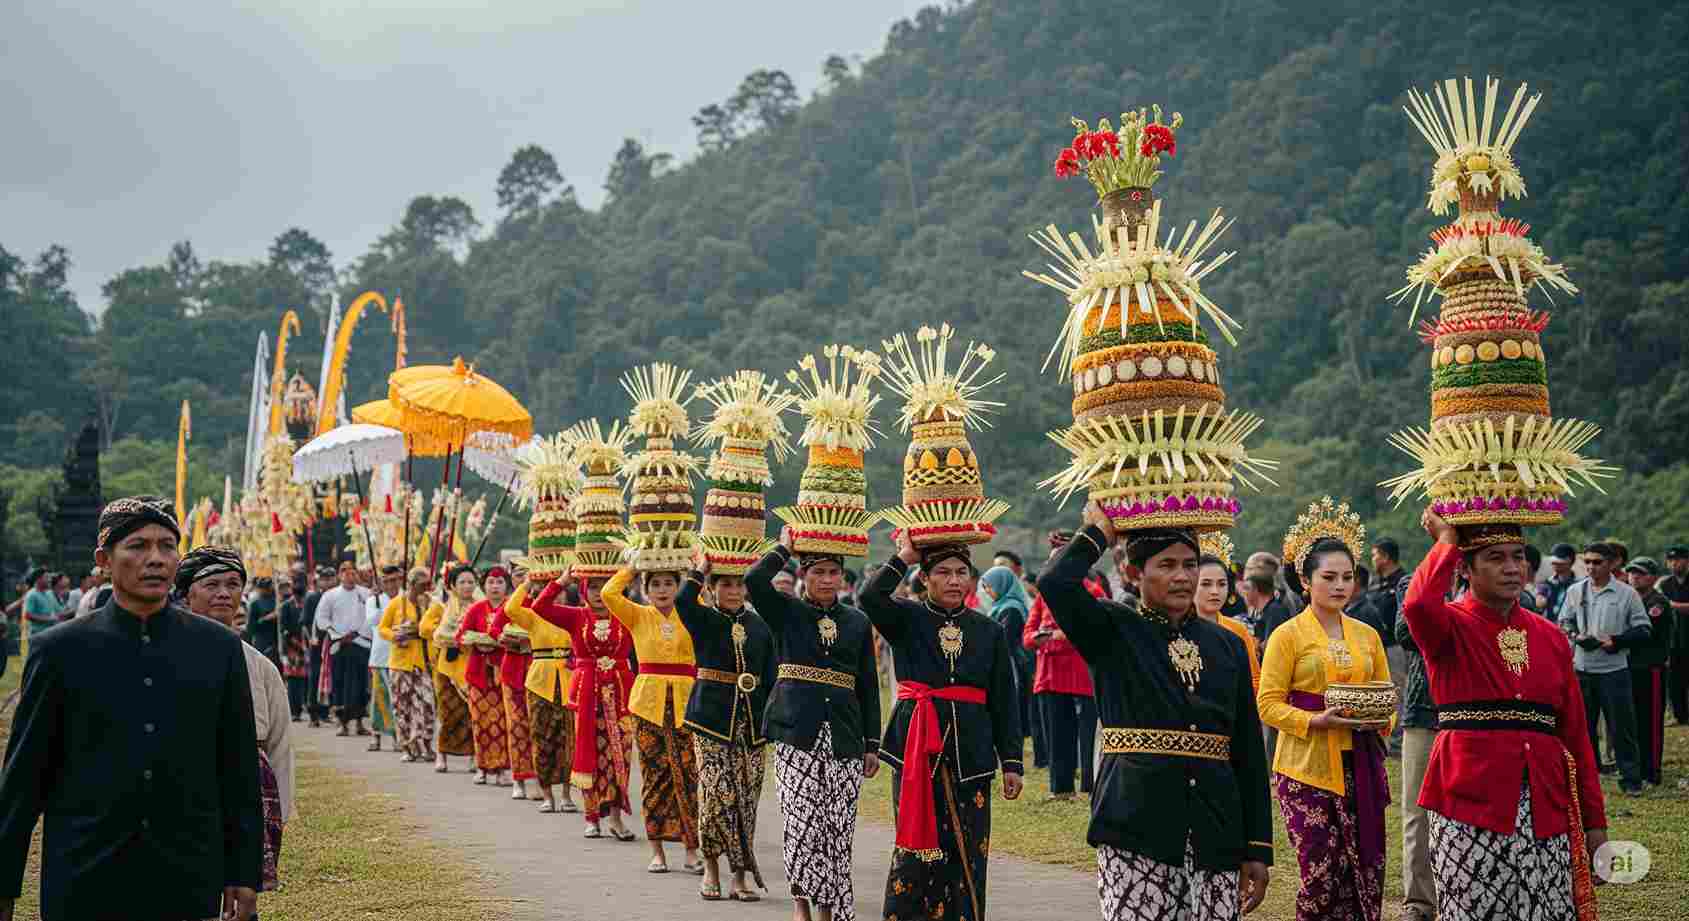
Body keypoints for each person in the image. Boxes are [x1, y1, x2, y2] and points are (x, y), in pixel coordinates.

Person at [0, 496, 262, 921]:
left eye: (166, 546)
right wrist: (4, 883)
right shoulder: (61, 652)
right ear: (104, 558)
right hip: (84, 873)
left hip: (187, 873)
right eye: (138, 546)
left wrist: (244, 871)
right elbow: (24, 778)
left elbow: (237, 769)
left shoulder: (219, 650)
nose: (155, 559)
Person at [1038, 503, 1271, 920]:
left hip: (1215, 830)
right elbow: (1055, 582)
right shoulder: (1112, 629)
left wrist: (1257, 846)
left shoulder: (1228, 646)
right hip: (1134, 823)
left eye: (1189, 564)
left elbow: (1248, 751)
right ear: (1133, 573)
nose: (1182, 576)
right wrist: (1100, 533)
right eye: (1166, 565)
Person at [1404, 512, 1607, 921]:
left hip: (1546, 807)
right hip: (1467, 803)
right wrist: (1445, 540)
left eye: (1519, 556)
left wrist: (1595, 822)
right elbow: (1418, 603)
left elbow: (1576, 736)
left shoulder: (1550, 637)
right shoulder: (1448, 627)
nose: (1513, 567)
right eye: (1496, 558)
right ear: (1465, 568)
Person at [862, 532, 1022, 921]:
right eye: (944, 572)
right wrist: (904, 556)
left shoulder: (990, 631)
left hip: (973, 754)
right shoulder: (906, 618)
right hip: (916, 751)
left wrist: (1013, 762)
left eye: (962, 573)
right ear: (926, 578)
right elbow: (869, 597)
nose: (954, 580)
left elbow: (1004, 699)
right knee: (916, 852)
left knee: (968, 851)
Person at [1259, 506, 1392, 921]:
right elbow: (1267, 702)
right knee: (1320, 875)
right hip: (1306, 770)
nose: (1339, 586)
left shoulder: (1367, 635)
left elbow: (1386, 696)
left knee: (1364, 874)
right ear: (1305, 580)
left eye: (1347, 577)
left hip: (1361, 764)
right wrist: (1315, 720)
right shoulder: (1288, 634)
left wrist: (1377, 718)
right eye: (1328, 577)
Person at [748, 531, 880, 921]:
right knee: (802, 824)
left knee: (838, 828)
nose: (826, 580)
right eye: (818, 571)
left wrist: (871, 743)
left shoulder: (857, 621)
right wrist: (785, 548)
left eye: (833, 572)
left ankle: (831, 908)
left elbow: (869, 685)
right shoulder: (786, 611)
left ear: (842, 577)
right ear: (804, 575)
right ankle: (801, 905)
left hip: (844, 735)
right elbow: (755, 580)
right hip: (794, 731)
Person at [176, 545, 294, 902]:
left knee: (240, 898)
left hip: (249, 793)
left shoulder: (260, 666)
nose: (224, 593)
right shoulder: (165, 655)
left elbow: (279, 744)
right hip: (185, 788)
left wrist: (279, 812)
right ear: (186, 594)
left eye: (232, 584)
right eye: (212, 584)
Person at [677, 547, 777, 902]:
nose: (733, 591)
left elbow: (772, 673)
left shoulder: (760, 626)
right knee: (716, 796)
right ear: (713, 588)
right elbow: (682, 603)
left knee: (746, 802)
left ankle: (740, 876)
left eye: (738, 585)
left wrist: (772, 721)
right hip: (710, 721)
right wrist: (698, 573)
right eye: (725, 585)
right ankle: (711, 868)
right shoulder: (703, 617)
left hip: (751, 725)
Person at [600, 561, 702, 874]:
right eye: (655, 584)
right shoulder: (638, 614)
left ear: (678, 587)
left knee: (688, 777)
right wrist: (632, 567)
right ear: (645, 589)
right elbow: (608, 593)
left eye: (669, 584)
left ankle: (691, 849)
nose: (662, 590)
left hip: (687, 702)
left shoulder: (692, 611)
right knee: (654, 778)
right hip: (647, 705)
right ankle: (657, 851)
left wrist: (697, 571)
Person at [527, 570, 637, 841]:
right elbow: (539, 607)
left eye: (605, 587)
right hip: (588, 693)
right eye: (592, 588)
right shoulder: (576, 616)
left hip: (621, 693)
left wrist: (629, 571)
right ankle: (591, 818)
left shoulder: (629, 614)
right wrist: (561, 582)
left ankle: (615, 817)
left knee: (619, 755)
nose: (598, 594)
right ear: (583, 590)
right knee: (588, 753)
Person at [1557, 541, 1651, 795]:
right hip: (1582, 668)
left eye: (1597, 562)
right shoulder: (1576, 591)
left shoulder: (1626, 593)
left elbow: (1643, 628)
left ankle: (1631, 780)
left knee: (1622, 728)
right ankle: (1582, 781)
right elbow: (1563, 621)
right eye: (1587, 562)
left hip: (1614, 670)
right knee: (1581, 729)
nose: (1591, 567)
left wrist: (1616, 641)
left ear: (1611, 564)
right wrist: (1575, 635)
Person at [1023, 547, 1099, 800]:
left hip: (1083, 676)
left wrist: (1051, 637)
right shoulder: (1043, 596)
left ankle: (1090, 787)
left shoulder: (1093, 591)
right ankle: (1061, 789)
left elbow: (1089, 630)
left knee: (1089, 736)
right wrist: (1051, 636)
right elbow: (1027, 637)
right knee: (1056, 734)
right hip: (1050, 677)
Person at [501, 578, 578, 814]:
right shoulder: (533, 615)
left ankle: (566, 794)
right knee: (541, 738)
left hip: (568, 681)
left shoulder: (572, 615)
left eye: (559, 590)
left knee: (568, 740)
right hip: (539, 683)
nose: (555, 595)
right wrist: (526, 582)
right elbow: (510, 609)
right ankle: (547, 794)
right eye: (547, 590)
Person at [1393, 577, 1438, 921]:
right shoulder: (1415, 583)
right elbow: (1405, 633)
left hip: (1472, 715)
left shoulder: (1486, 579)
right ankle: (1419, 902)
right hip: (1423, 711)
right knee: (1417, 810)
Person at [980, 564, 1042, 788]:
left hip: (1011, 664)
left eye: (990, 586)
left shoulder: (1011, 609)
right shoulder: (1000, 607)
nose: (987, 591)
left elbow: (1005, 640)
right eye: (985, 587)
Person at [455, 566, 513, 787]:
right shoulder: (476, 609)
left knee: (503, 721)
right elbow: (461, 637)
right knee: (480, 722)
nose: (495, 587)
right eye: (490, 582)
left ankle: (502, 768)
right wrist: (475, 640)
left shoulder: (512, 608)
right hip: (479, 673)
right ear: (484, 586)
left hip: (504, 672)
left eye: (499, 582)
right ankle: (482, 767)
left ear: (506, 585)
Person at [420, 564, 478, 772]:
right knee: (447, 713)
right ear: (452, 585)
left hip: (471, 666)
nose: (466, 586)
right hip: (447, 667)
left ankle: (473, 756)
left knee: (471, 714)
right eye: (462, 582)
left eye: (471, 581)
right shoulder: (442, 605)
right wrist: (451, 635)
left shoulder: (479, 606)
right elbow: (429, 631)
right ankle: (442, 755)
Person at [380, 567, 439, 764]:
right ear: (413, 585)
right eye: (423, 585)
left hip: (423, 662)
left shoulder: (430, 604)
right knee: (402, 706)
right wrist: (395, 636)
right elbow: (382, 628)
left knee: (427, 704)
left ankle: (426, 743)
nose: (427, 588)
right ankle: (407, 746)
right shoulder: (397, 603)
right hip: (401, 662)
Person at [1623, 558, 1672, 786]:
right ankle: (1637, 767)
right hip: (1629, 666)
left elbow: (1645, 634)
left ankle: (1652, 771)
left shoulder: (1657, 602)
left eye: (1640, 573)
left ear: (1652, 577)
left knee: (1650, 720)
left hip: (1650, 667)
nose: (1635, 577)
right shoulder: (1628, 599)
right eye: (1632, 573)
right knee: (1631, 720)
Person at [315, 559, 373, 736]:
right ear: (340, 575)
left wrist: (357, 633)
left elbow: (372, 617)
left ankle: (360, 723)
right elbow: (322, 619)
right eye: (345, 571)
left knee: (361, 684)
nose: (349, 574)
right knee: (340, 684)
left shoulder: (367, 594)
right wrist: (340, 635)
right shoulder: (330, 595)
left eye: (352, 571)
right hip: (339, 646)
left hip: (361, 643)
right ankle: (342, 723)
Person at [1197, 554, 1260, 692]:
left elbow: (1255, 679)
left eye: (1221, 584)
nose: (1215, 591)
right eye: (1206, 584)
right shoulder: (1177, 630)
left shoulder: (1237, 630)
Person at [363, 566, 402, 753]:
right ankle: (376, 736)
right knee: (379, 699)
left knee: (398, 699)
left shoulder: (406, 599)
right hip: (380, 657)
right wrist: (381, 607)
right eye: (387, 581)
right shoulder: (373, 601)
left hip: (402, 657)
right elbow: (372, 621)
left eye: (395, 580)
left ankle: (398, 736)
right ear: (381, 583)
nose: (392, 585)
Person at [303, 566, 334, 727]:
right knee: (315, 676)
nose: (328, 582)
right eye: (325, 579)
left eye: (330, 578)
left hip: (333, 642)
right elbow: (306, 622)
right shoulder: (312, 598)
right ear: (319, 581)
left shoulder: (336, 596)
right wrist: (311, 639)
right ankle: (313, 713)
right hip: (317, 644)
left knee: (329, 677)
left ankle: (325, 711)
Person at [1662, 545, 1689, 725]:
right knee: (1674, 679)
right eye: (1670, 560)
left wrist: (1672, 605)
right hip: (1674, 639)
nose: (1674, 564)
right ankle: (1680, 715)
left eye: (1677, 559)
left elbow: (1666, 605)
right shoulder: (1665, 584)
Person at [279, 574, 310, 720]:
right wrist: (295, 643)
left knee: (305, 678)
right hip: (292, 646)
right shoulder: (285, 606)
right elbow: (283, 629)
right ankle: (294, 711)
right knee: (292, 680)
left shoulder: (308, 604)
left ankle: (305, 706)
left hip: (306, 645)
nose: (300, 600)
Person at [245, 576, 280, 664]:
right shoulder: (255, 603)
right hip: (261, 641)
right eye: (265, 587)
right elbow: (250, 627)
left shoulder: (278, 600)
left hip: (276, 641)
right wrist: (266, 618)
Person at [21, 568, 61, 641]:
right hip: (38, 637)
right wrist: (48, 619)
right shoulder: (32, 594)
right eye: (46, 577)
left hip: (50, 634)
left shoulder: (48, 594)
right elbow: (27, 615)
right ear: (38, 579)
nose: (49, 580)